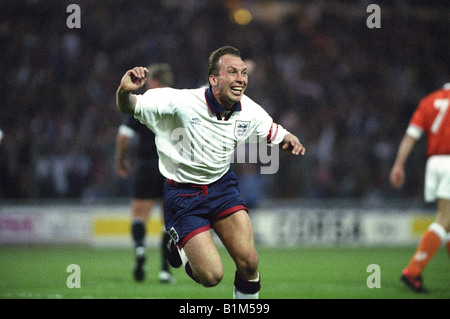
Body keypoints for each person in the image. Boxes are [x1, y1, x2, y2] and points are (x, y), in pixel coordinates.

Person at [116, 46, 305, 298]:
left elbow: (273, 131)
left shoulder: (248, 109)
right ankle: (178, 245)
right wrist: (124, 90)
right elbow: (129, 106)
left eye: (244, 73)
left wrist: (290, 139)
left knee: (249, 262)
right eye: (232, 72)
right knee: (211, 277)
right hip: (183, 195)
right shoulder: (180, 102)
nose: (241, 79)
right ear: (213, 79)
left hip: (222, 188)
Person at [115, 63, 176, 283]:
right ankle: (164, 270)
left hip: (146, 165)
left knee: (139, 214)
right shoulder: (178, 103)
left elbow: (124, 137)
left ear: (154, 81)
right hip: (170, 166)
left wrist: (121, 161)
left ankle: (140, 250)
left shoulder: (144, 103)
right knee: (167, 220)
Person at [390, 83, 450, 293]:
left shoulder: (429, 101)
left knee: (448, 223)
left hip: (434, 164)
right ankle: (413, 271)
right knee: (444, 218)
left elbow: (411, 136)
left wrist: (398, 164)